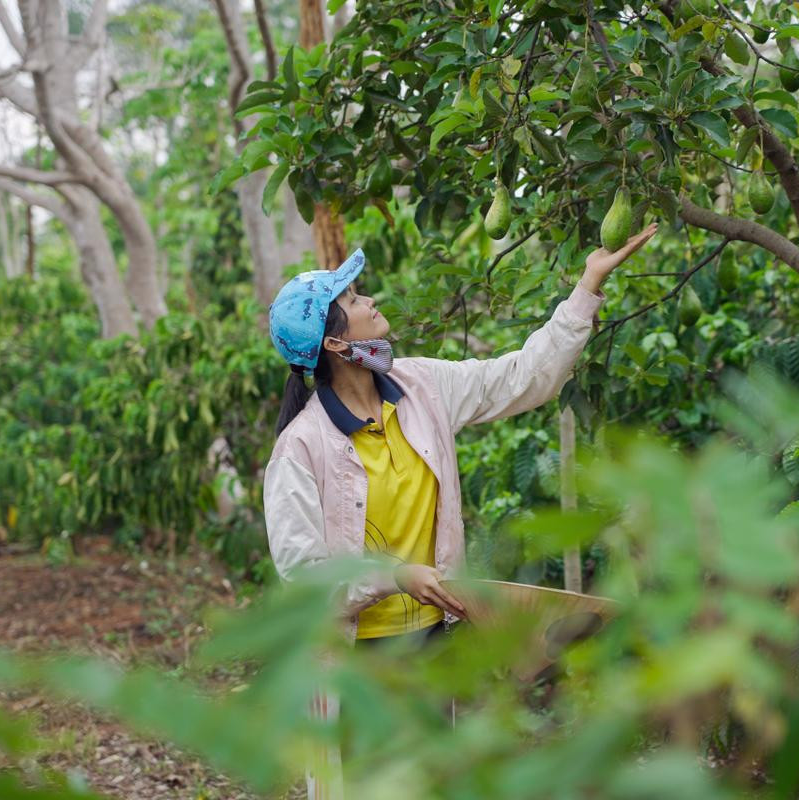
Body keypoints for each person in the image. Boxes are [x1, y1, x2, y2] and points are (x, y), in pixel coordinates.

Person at [262, 224, 657, 798]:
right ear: (335, 345)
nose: (369, 300)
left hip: (429, 638)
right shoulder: (301, 447)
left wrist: (588, 287)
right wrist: (394, 576)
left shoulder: (419, 387)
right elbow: (302, 576)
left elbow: (521, 377)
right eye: (353, 300)